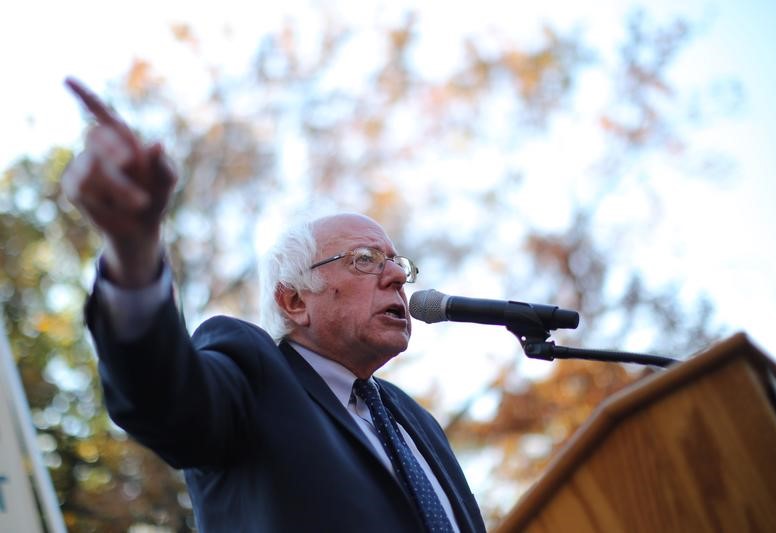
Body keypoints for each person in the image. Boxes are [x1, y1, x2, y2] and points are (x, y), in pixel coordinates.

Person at [62, 78, 486, 533]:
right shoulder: (254, 373)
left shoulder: (416, 421)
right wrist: (134, 247)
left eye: (397, 263)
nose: (398, 276)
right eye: (365, 260)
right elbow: (164, 399)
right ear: (296, 300)